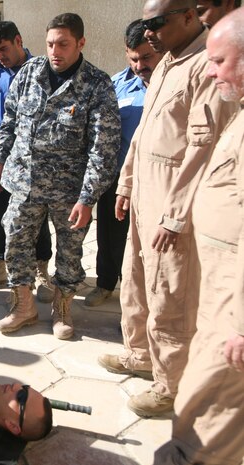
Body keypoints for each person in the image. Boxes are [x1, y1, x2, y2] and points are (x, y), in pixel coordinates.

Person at [98, 0, 238, 418]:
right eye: (146, 25)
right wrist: (125, 185)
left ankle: (171, 385)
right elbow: (143, 134)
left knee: (169, 294)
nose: (150, 33)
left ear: (189, 17)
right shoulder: (165, 63)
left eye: (157, 23)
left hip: (173, 200)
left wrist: (175, 214)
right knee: (135, 278)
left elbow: (203, 148)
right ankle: (139, 354)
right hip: (144, 193)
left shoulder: (205, 66)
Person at [0, 13, 120, 340]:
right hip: (24, 182)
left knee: (70, 252)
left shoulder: (97, 84)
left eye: (63, 44)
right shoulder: (29, 73)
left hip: (70, 191)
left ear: (80, 43)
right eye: (50, 43)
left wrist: (88, 196)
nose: (55, 51)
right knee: (16, 241)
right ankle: (23, 306)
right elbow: (9, 121)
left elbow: (103, 147)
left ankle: (62, 309)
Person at [154, 9, 244, 464]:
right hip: (222, 296)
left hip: (235, 312)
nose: (209, 72)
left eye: (219, 61)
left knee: (202, 418)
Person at [0, 21, 54, 303]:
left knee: (37, 215)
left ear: (18, 40)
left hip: (30, 155)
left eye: (3, 49)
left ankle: (41, 270)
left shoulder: (44, 70)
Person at [85, 21, 162, 307]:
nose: (140, 65)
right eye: (133, 58)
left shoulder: (171, 83)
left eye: (146, 57)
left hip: (156, 180)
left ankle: (145, 296)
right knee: (109, 234)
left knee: (147, 241)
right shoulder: (117, 84)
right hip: (117, 177)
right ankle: (105, 284)